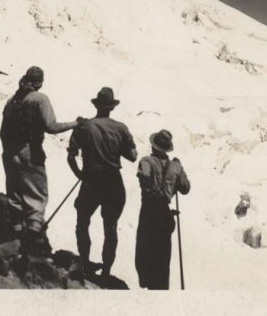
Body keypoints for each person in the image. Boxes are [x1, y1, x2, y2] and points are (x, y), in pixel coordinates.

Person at [0, 66, 79, 256]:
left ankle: (16, 235)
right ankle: (32, 242)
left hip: (10, 152)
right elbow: (51, 126)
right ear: (40, 82)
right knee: (37, 195)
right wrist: (76, 123)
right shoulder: (40, 99)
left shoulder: (13, 100)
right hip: (30, 152)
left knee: (16, 194)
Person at [67, 87, 137, 281]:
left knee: (83, 222)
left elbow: (71, 157)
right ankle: (106, 272)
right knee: (111, 228)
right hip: (113, 181)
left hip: (91, 180)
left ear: (96, 105)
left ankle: (84, 262)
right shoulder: (121, 128)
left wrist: (80, 175)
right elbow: (132, 156)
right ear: (112, 107)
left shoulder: (84, 126)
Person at [135, 129, 191, 290]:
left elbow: (145, 180)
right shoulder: (175, 166)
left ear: (153, 147)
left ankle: (146, 283)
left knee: (144, 251)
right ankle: (160, 288)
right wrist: (180, 169)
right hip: (165, 215)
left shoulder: (146, 161)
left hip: (148, 212)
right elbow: (185, 188)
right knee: (163, 256)